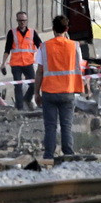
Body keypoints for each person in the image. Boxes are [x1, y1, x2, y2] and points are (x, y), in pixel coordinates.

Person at [33, 15, 83, 160]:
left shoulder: (45, 47)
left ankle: (49, 156)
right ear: (66, 29)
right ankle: (68, 155)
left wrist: (36, 93)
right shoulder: (74, 46)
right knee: (66, 126)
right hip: (68, 92)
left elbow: (39, 71)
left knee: (50, 126)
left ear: (53, 29)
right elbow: (78, 66)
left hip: (49, 92)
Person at [0, 11, 42, 110]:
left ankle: (26, 99)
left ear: (26, 21)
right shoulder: (12, 33)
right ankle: (20, 109)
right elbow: (7, 49)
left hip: (28, 63)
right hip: (16, 64)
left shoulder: (32, 32)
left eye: (24, 20)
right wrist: (3, 64)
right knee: (18, 87)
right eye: (20, 20)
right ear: (17, 21)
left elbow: (40, 46)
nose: (22, 22)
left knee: (33, 85)